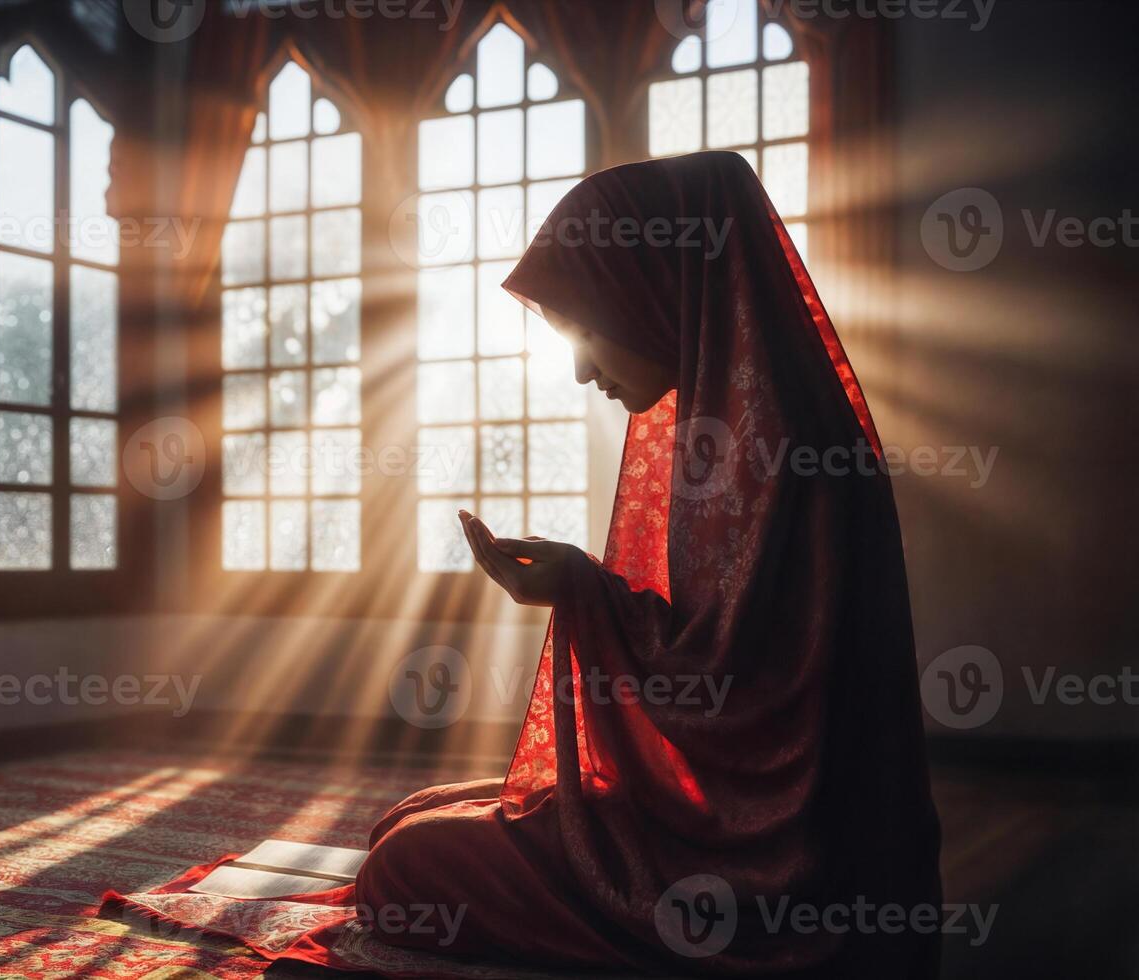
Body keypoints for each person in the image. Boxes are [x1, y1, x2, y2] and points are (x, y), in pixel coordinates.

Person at [353, 151, 943, 977]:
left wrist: (580, 590)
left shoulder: (780, 452)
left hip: (767, 867)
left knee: (404, 870)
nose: (581, 369)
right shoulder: (755, 424)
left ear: (657, 288)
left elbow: (744, 701)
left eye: (583, 331)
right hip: (736, 820)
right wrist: (579, 585)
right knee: (413, 820)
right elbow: (723, 659)